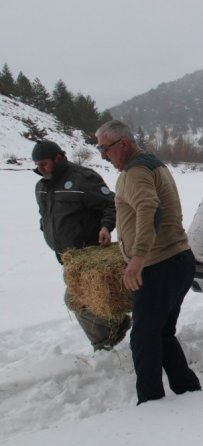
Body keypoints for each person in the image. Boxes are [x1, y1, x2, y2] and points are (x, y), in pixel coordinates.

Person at [95, 120, 200, 405]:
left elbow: (148, 207)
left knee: (143, 338)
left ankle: (151, 405)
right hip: (177, 260)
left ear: (123, 144)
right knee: (161, 332)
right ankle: (188, 390)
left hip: (158, 264)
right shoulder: (153, 164)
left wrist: (137, 258)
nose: (103, 155)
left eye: (105, 148)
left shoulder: (136, 171)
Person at [32, 139, 130, 351]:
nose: (40, 169)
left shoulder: (82, 179)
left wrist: (106, 226)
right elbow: (45, 215)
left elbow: (112, 204)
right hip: (67, 257)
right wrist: (46, 228)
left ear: (58, 158)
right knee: (79, 301)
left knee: (75, 300)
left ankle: (108, 338)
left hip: (89, 256)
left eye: (43, 164)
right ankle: (111, 332)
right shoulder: (42, 187)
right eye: (37, 165)